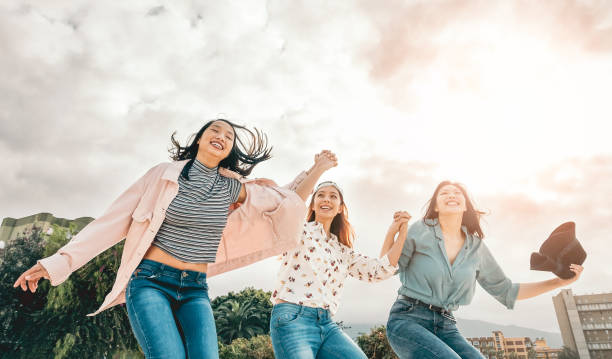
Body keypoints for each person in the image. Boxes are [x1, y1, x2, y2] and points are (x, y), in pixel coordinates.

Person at [14, 119, 334, 359]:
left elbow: (286, 203)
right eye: (215, 130)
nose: (221, 136)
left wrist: (317, 168)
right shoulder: (163, 176)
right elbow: (110, 222)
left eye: (229, 135)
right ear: (199, 140)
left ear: (231, 150)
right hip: (151, 283)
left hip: (195, 288)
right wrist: (57, 263)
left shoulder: (232, 189)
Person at [386, 181, 584, 359]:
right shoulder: (419, 230)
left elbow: (507, 291)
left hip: (446, 325)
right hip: (408, 319)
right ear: (436, 206)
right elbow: (387, 267)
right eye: (444, 193)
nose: (452, 195)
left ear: (465, 206)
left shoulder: (476, 247)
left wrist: (559, 282)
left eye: (457, 193)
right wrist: (393, 232)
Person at [269, 180, 411, 359]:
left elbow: (379, 270)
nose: (326, 199)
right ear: (312, 205)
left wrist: (398, 232)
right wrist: (318, 169)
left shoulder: (342, 251)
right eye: (320, 195)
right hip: (293, 319)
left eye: (332, 196)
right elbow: (287, 208)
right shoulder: (299, 230)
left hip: (327, 325)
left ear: (340, 208)